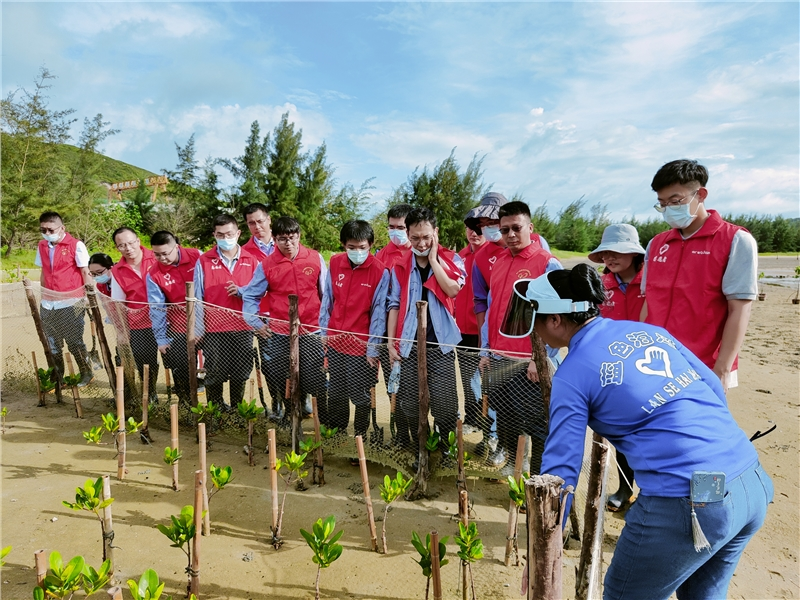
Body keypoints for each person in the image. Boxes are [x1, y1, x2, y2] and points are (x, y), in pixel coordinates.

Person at [523, 264, 772, 598]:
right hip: (749, 480)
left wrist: (543, 546)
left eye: (535, 320)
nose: (535, 332)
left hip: (689, 500)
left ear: (555, 320)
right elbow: (713, 385)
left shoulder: (571, 374)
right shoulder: (649, 332)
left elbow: (561, 468)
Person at [642, 159, 758, 393]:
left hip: (704, 364)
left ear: (701, 194)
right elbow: (648, 302)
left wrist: (722, 369)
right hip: (656, 359)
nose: (668, 209)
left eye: (676, 201)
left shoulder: (735, 240)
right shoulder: (657, 244)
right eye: (662, 204)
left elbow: (740, 308)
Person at [478, 201, 562, 472]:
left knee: (537, 424)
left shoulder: (547, 263)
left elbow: (557, 316)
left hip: (529, 363)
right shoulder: (500, 262)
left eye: (516, 228)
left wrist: (541, 358)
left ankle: (538, 474)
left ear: (530, 227)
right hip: (499, 357)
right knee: (506, 416)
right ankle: (516, 465)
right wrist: (485, 350)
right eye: (505, 230)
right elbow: (492, 309)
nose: (511, 235)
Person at [387, 207, 466, 452]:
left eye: (426, 237)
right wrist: (391, 343)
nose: (421, 244)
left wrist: (433, 260)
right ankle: (422, 446)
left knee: (444, 403)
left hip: (440, 346)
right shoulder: (399, 265)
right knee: (410, 403)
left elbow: (452, 289)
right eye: (415, 238)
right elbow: (394, 305)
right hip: (409, 346)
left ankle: (447, 449)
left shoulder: (451, 259)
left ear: (436, 233)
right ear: (408, 235)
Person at [242, 217, 328, 423]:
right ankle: (290, 417)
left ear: (299, 236)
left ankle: (323, 421)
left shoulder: (315, 258)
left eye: (292, 238)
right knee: (283, 375)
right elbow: (251, 295)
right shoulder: (267, 265)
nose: (288, 243)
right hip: (281, 332)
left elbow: (326, 295)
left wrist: (326, 327)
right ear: (274, 239)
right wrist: (256, 323)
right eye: (282, 239)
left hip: (311, 329)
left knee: (314, 374)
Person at [588, 223, 646, 512]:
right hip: (614, 368)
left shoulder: (652, 281)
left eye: (617, 251)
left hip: (649, 368)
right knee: (621, 433)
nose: (609, 258)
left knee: (649, 434)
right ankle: (625, 487)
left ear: (635, 253)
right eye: (605, 253)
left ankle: (649, 494)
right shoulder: (600, 285)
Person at [319, 220, 389, 441]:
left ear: (371, 245)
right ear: (343, 244)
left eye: (362, 247)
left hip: (361, 347)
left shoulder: (380, 271)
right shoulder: (335, 263)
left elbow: (379, 313)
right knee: (336, 391)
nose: (357, 252)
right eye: (351, 247)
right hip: (336, 340)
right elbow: (328, 300)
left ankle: (360, 436)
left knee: (360, 394)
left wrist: (372, 348)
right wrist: (324, 333)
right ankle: (338, 434)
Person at [194, 215, 259, 412]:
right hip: (214, 329)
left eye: (229, 234)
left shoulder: (252, 260)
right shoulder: (204, 261)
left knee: (241, 371)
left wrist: (242, 292)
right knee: (215, 370)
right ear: (214, 235)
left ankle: (238, 409)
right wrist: (199, 329)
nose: (225, 238)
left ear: (238, 233)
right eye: (220, 235)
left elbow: (259, 293)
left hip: (243, 328)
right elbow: (197, 297)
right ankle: (216, 409)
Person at [468, 192, 550, 334]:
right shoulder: (480, 258)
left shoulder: (539, 243)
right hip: (498, 331)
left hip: (533, 329)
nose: (487, 228)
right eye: (483, 224)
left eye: (491, 222)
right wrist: (483, 339)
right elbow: (481, 300)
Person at [35, 211, 94, 387]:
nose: (47, 233)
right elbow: (43, 272)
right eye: (43, 230)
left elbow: (85, 271)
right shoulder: (42, 245)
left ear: (62, 228)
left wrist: (88, 297)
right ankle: (57, 377)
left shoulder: (76, 245)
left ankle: (86, 373)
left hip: (72, 301)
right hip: (48, 303)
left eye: (51, 230)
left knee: (74, 340)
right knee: (51, 342)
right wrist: (43, 294)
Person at [146, 231, 201, 406]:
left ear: (176, 246)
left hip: (208, 322)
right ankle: (186, 405)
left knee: (215, 368)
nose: (162, 258)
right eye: (157, 254)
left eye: (165, 253)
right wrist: (161, 339)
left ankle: (216, 406)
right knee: (180, 366)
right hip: (179, 326)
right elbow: (157, 308)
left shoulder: (197, 256)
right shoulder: (153, 274)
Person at [110, 227, 159, 400]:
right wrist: (123, 331)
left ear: (138, 241)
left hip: (167, 320)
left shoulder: (157, 257)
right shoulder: (117, 271)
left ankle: (182, 395)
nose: (128, 248)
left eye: (131, 243)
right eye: (122, 245)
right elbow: (119, 304)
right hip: (139, 323)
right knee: (144, 360)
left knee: (175, 359)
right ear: (117, 248)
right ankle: (150, 393)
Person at [240, 202, 280, 414]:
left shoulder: (286, 244)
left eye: (260, 221)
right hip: (261, 317)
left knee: (297, 360)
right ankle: (278, 403)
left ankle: (301, 400)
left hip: (286, 315)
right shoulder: (244, 252)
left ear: (269, 219)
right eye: (251, 223)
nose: (257, 227)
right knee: (271, 363)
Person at [454, 220, 486, 433]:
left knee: (488, 382)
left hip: (483, 330)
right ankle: (472, 419)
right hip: (462, 330)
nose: (474, 233)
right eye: (470, 229)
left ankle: (489, 426)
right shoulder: (461, 256)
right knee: (468, 378)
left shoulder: (492, 255)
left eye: (479, 230)